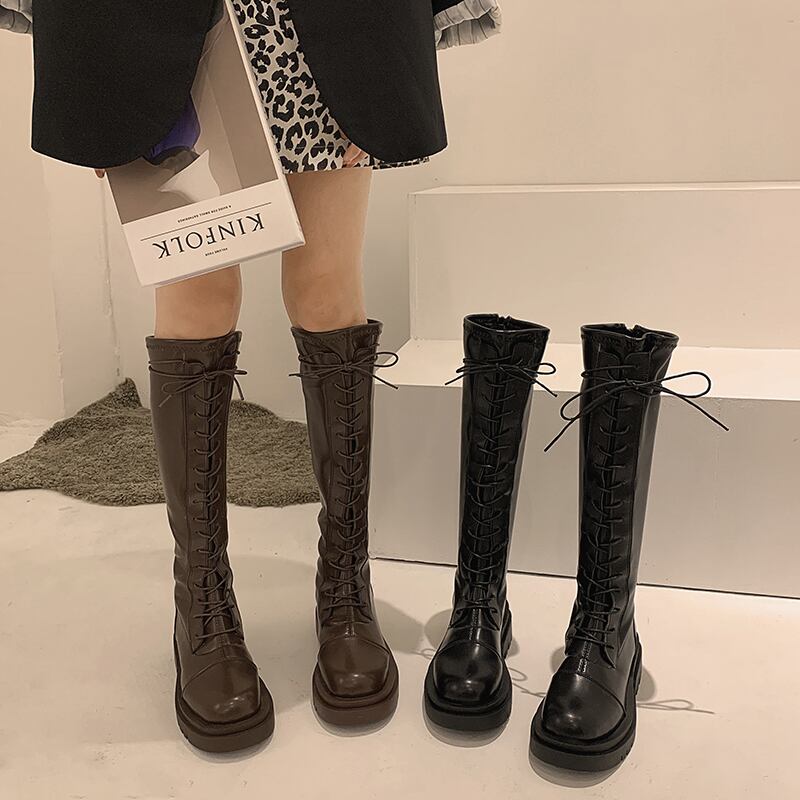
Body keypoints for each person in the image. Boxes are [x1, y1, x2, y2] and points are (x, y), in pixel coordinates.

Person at [3, 0, 502, 752]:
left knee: (328, 285)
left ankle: (345, 587)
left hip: (317, 22)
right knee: (196, 295)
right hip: (152, 25)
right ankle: (201, 602)